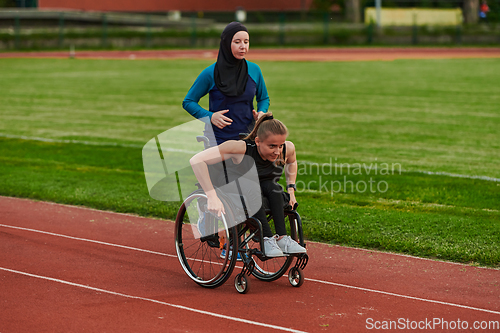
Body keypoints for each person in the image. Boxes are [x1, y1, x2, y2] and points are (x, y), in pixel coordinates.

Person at [190, 113, 306, 257]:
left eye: (280, 146)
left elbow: (292, 162)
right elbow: (196, 160)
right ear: (258, 141)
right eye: (272, 146)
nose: (277, 152)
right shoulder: (240, 148)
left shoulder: (287, 148)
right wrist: (212, 196)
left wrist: (291, 190)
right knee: (253, 187)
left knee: (275, 189)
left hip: (258, 183)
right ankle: (266, 239)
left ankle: (282, 238)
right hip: (230, 182)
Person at [183, 21, 270, 146]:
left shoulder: (254, 70)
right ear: (226, 43)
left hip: (248, 138)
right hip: (217, 139)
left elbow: (263, 98)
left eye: (246, 42)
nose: (243, 46)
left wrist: (261, 112)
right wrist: (210, 116)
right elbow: (188, 101)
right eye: (237, 42)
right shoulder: (210, 73)